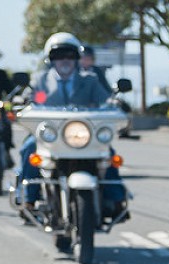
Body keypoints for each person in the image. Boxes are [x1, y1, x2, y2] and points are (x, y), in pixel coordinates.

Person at [17, 33, 120, 214]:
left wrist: (115, 103)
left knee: (107, 152)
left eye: (70, 55)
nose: (65, 60)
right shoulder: (40, 81)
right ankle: (29, 198)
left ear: (77, 59)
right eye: (59, 56)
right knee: (29, 147)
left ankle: (116, 199)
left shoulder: (90, 80)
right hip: (49, 136)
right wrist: (25, 101)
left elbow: (105, 101)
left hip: (83, 135)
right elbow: (33, 99)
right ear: (51, 59)